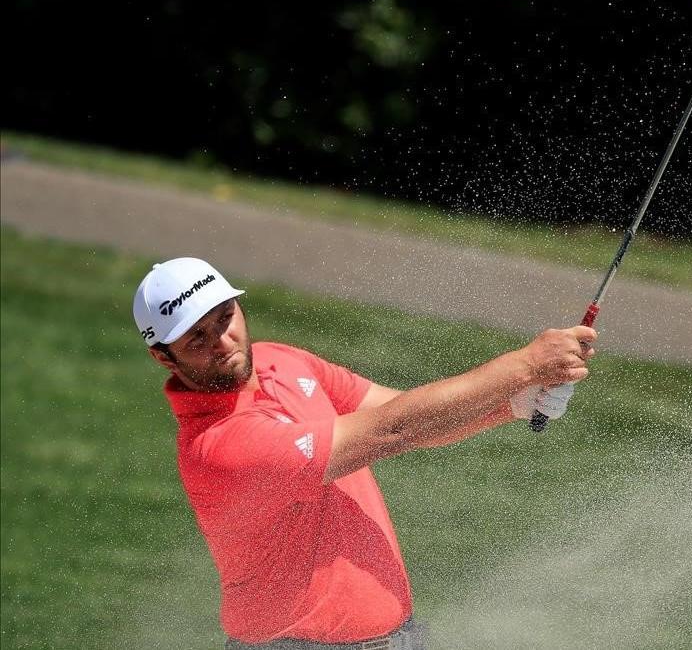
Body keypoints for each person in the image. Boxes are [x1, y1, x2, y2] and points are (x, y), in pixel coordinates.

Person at [132, 257, 594, 649]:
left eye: (224, 316)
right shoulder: (219, 445)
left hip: (397, 638)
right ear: (162, 356)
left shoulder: (280, 360)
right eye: (197, 338)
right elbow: (391, 430)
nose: (224, 342)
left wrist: (514, 402)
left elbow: (406, 419)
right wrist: (525, 365)